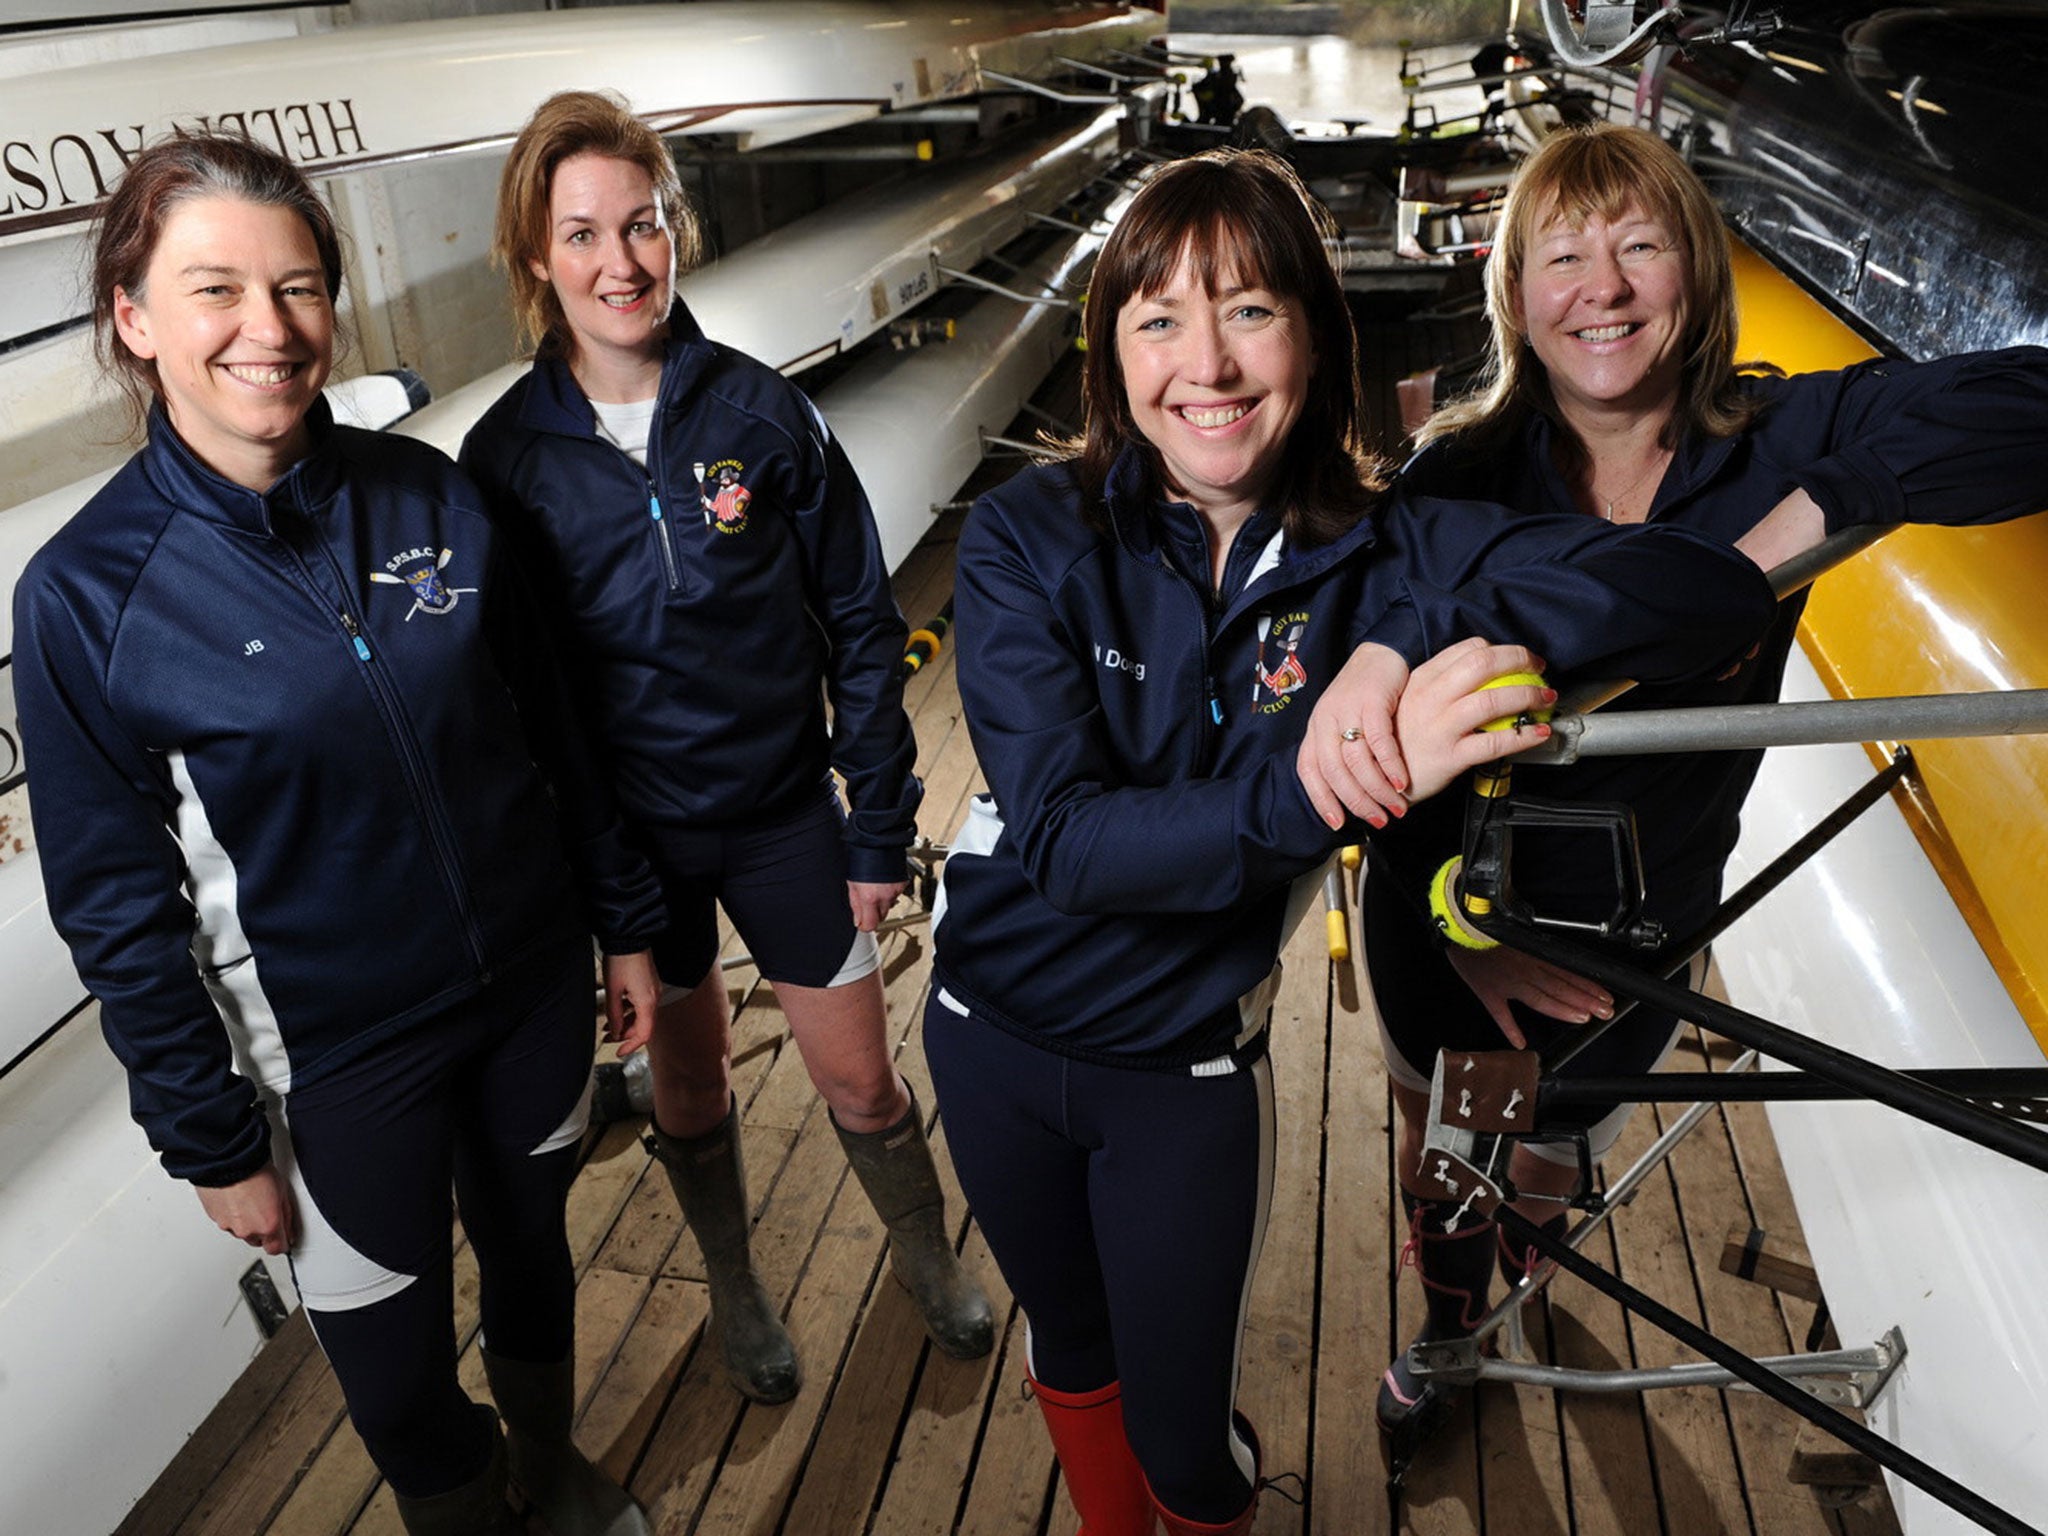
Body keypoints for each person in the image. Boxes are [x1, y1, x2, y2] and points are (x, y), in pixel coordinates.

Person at [926, 146, 1777, 1536]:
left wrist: (1405, 634)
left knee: (1188, 1450)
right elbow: (1071, 849)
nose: (1206, 362)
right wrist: (1325, 797)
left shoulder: (1395, 552)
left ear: (1317, 337)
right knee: (1071, 1355)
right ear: (1111, 354)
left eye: (1250, 309)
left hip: (1178, 1075)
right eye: (1159, 320)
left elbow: (1702, 596)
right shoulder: (1030, 533)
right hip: (981, 1036)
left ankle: (1436, 1331)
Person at [1293, 121, 2048, 1444]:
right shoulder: (1459, 476)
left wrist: (1823, 506)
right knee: (1460, 1156)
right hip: (1470, 939)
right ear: (1516, 295)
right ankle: (1451, 1333)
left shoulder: (1779, 435)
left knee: (1548, 1156)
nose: (1605, 288)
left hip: (1645, 938)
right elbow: (1391, 781)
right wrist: (1469, 941)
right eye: (1563, 256)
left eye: (1641, 246)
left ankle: (1530, 1228)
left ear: (1696, 271)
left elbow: (2029, 408)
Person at [13, 132, 666, 1536]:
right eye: (217, 290)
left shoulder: (432, 495)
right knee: (395, 1386)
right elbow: (119, 909)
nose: (271, 329)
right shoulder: (85, 599)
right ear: (133, 317)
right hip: (337, 1067)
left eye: (301, 287)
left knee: (536, 1263)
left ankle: (550, 1478)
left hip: (533, 988)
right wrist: (210, 1136)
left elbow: (557, 733)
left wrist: (625, 921)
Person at [459, 91, 993, 1406]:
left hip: (778, 818)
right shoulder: (504, 465)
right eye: (581, 234)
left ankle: (924, 1256)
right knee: (688, 1094)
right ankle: (738, 1288)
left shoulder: (761, 415)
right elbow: (530, 713)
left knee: (862, 1082)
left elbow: (864, 627)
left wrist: (876, 824)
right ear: (537, 255)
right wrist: (605, 905)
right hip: (636, 846)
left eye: (641, 225)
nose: (620, 262)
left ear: (676, 229)